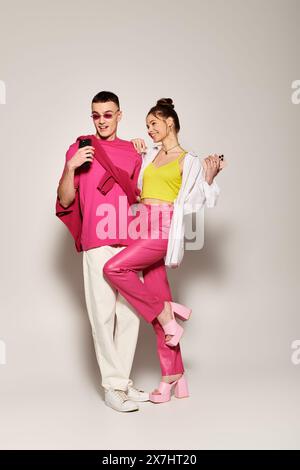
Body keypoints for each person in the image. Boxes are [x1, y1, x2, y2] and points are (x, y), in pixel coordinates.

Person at [103, 98, 223, 404]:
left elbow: (197, 202)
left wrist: (209, 179)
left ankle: (168, 313)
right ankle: (175, 377)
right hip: (141, 224)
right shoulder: (151, 155)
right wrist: (136, 148)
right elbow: (135, 183)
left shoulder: (189, 160)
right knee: (161, 307)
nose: (150, 130)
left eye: (153, 124)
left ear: (169, 122)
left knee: (114, 269)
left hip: (164, 227)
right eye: (147, 126)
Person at [56, 91, 149, 413]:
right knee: (102, 314)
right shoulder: (80, 148)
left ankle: (121, 382)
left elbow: (141, 197)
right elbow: (66, 200)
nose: (102, 120)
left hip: (129, 241)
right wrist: (70, 168)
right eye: (96, 115)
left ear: (120, 115)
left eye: (108, 114)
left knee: (130, 315)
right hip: (97, 242)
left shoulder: (132, 151)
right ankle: (112, 386)